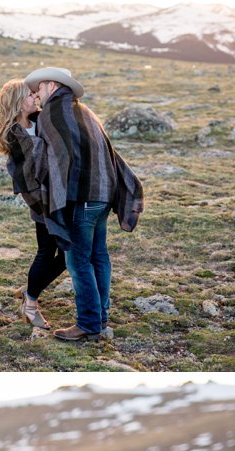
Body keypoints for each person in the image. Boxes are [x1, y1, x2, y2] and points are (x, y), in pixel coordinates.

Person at [22, 66, 144, 343]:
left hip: (83, 197)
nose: (36, 96)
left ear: (51, 85)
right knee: (98, 256)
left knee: (77, 261)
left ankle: (88, 324)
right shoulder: (85, 111)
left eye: (38, 89)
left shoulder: (53, 114)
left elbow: (54, 160)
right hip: (104, 195)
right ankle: (99, 318)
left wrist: (51, 196)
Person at [0, 79, 66, 331]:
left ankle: (30, 289)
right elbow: (25, 176)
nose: (35, 96)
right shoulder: (14, 133)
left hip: (57, 196)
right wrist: (45, 207)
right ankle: (31, 304)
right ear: (17, 102)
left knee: (65, 253)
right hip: (40, 202)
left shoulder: (39, 119)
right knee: (51, 252)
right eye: (29, 95)